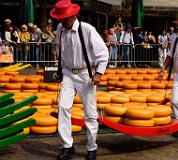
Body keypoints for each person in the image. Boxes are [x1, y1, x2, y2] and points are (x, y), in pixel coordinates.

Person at [50, 0, 109, 160]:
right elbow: (60, 52)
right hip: (68, 73)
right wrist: (60, 71)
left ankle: (91, 147)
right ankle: (67, 146)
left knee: (89, 113)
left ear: (73, 15)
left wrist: (99, 73)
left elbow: (103, 53)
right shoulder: (60, 29)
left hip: (85, 74)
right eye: (60, 18)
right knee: (62, 107)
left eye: (64, 18)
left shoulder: (87, 29)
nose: (61, 21)